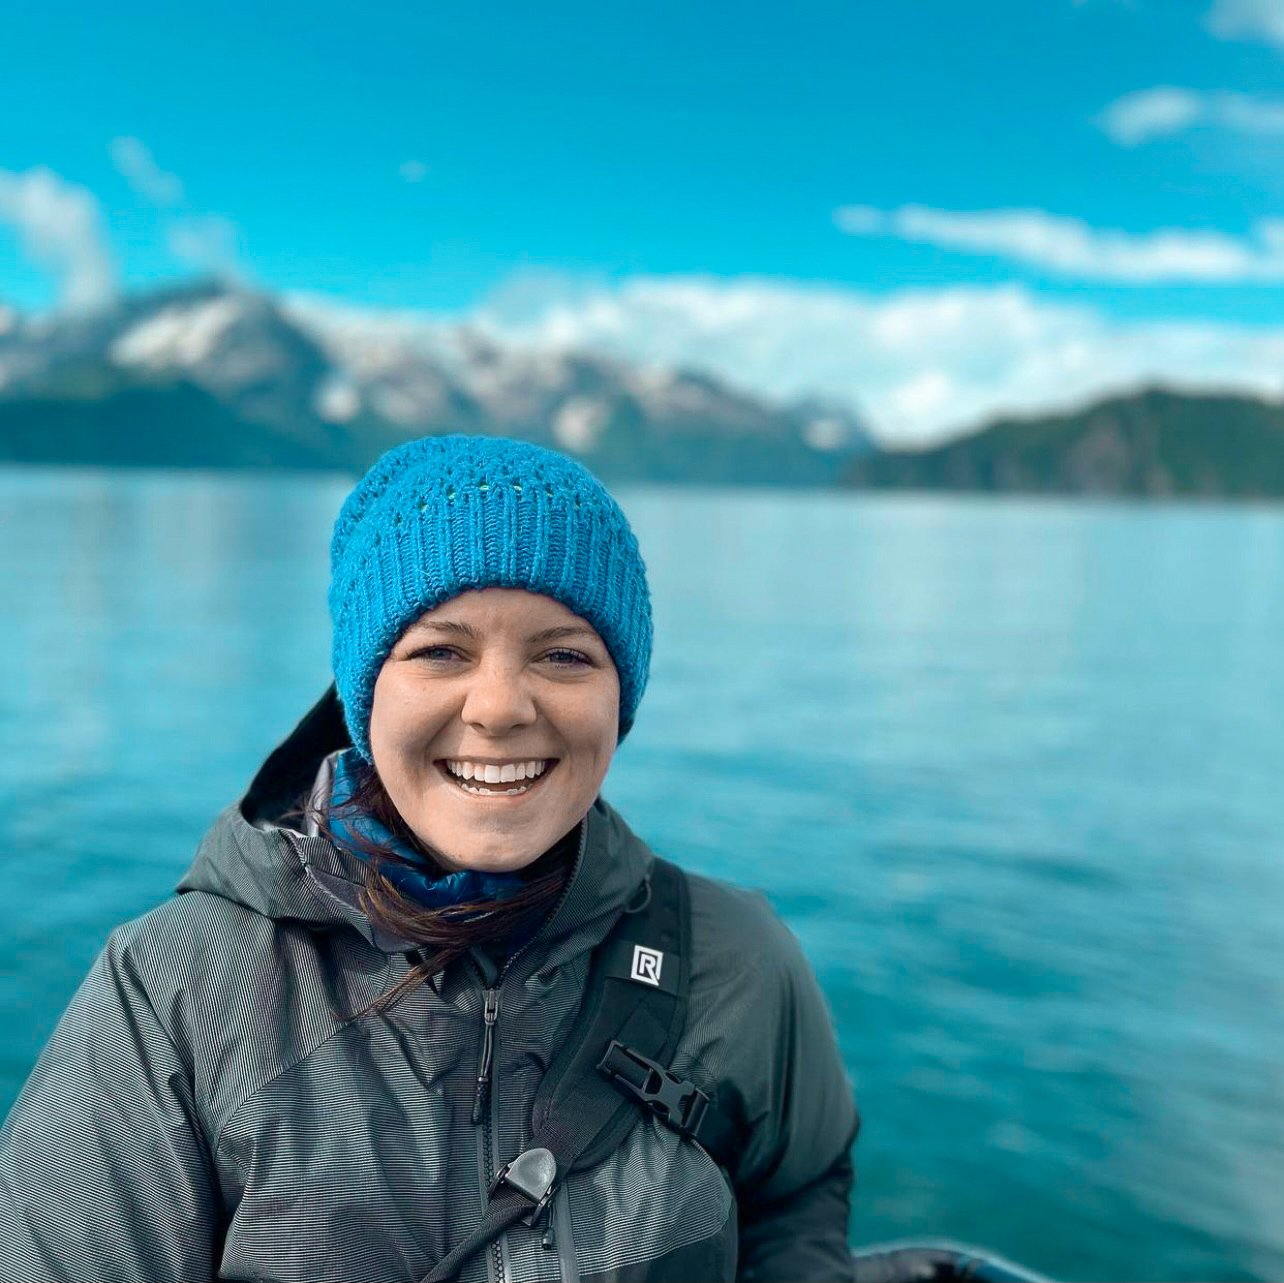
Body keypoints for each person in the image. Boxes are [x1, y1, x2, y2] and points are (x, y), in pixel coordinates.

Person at [0, 434, 858, 1283]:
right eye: (440, 651)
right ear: (364, 691)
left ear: (619, 693)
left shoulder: (738, 958)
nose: (498, 707)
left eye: (563, 654)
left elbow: (798, 1191)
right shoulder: (175, 986)